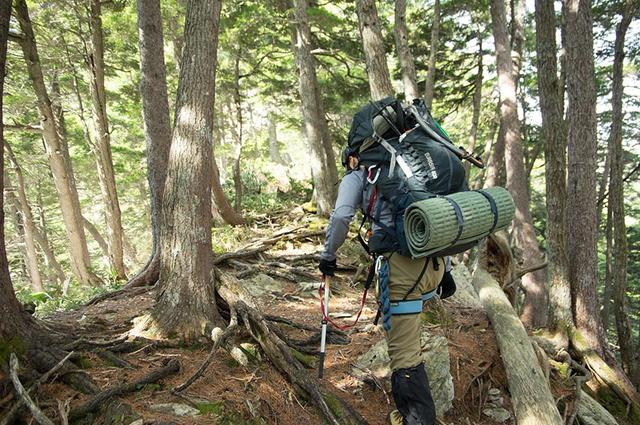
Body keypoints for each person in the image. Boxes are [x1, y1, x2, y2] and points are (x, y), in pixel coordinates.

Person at [319, 146, 454, 425]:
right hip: (436, 263)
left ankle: (416, 420)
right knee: (408, 341)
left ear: (353, 157)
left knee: (404, 356)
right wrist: (447, 268)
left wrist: (328, 256)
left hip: (403, 272)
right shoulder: (413, 165)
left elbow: (342, 215)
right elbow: (440, 211)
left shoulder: (360, 174)